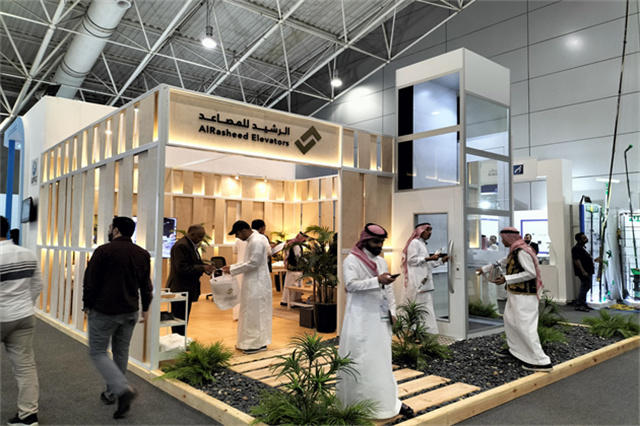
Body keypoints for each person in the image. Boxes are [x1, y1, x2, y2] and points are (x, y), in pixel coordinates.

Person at [336, 223, 414, 420]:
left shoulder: (381, 261)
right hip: (360, 319)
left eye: (381, 242)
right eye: (375, 242)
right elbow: (351, 286)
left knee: (381, 360)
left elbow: (388, 289)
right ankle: (357, 405)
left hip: (380, 318)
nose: (379, 245)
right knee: (362, 360)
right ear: (365, 240)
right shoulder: (351, 260)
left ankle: (387, 402)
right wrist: (377, 281)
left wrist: (393, 310)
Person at [83, 216, 154, 419]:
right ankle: (111, 393)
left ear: (116, 230)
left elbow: (90, 281)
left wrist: (87, 304)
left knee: (98, 352)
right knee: (121, 352)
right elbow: (146, 285)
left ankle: (122, 390)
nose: (109, 230)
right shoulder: (142, 253)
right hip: (130, 311)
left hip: (104, 311)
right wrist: (146, 307)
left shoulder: (103, 251)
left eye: (110, 227)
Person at [476, 227, 552, 373]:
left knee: (525, 326)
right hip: (515, 293)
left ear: (509, 238)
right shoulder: (515, 251)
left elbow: (530, 273)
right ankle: (516, 351)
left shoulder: (522, 251)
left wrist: (506, 278)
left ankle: (541, 361)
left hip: (525, 295)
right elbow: (503, 262)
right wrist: (484, 269)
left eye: (503, 238)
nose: (502, 241)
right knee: (511, 321)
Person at [1, 216, 43, 426]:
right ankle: (28, 416)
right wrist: (24, 304)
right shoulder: (27, 254)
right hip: (24, 316)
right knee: (25, 367)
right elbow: (38, 285)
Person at [222, 220, 272, 354]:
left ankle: (255, 344)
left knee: (254, 313)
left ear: (244, 231)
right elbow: (247, 262)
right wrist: (232, 267)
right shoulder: (252, 240)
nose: (237, 237)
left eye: (237, 234)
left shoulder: (256, 241)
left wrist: (233, 269)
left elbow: (253, 263)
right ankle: (247, 342)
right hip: (252, 281)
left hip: (257, 283)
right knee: (249, 312)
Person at [401, 222, 449, 334]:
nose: (430, 232)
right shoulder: (415, 243)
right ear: (420, 231)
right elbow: (411, 260)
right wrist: (429, 258)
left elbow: (427, 264)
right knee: (419, 309)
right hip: (417, 283)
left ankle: (425, 334)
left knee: (426, 309)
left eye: (431, 230)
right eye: (427, 230)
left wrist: (441, 261)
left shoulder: (422, 244)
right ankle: (415, 333)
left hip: (425, 282)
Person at [166, 224, 214, 335]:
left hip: (186, 288)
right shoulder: (182, 246)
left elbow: (194, 263)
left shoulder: (191, 245)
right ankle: (178, 341)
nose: (202, 239)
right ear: (192, 234)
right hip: (180, 288)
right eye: (200, 236)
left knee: (183, 319)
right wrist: (202, 268)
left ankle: (180, 340)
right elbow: (182, 268)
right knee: (179, 320)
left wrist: (206, 267)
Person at [571, 232, 598, 312]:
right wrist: (583, 271)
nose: (587, 239)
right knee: (585, 287)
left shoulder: (582, 248)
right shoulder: (576, 248)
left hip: (587, 270)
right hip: (584, 271)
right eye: (584, 238)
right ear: (579, 240)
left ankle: (583, 303)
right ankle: (579, 304)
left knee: (586, 286)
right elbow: (577, 260)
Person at [280, 232, 308, 306]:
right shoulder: (297, 246)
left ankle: (286, 300)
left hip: (291, 269)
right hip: (296, 270)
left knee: (289, 284)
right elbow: (298, 257)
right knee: (294, 286)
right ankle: (293, 302)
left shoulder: (292, 243)